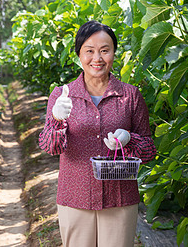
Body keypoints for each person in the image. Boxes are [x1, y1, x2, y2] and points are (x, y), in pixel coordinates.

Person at [38, 20, 156, 247]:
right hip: (75, 196)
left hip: (119, 198)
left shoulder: (130, 96)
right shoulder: (62, 95)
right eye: (89, 51)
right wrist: (56, 118)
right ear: (79, 55)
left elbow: (149, 150)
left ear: (114, 52)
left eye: (104, 50)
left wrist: (129, 140)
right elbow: (50, 147)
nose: (97, 58)